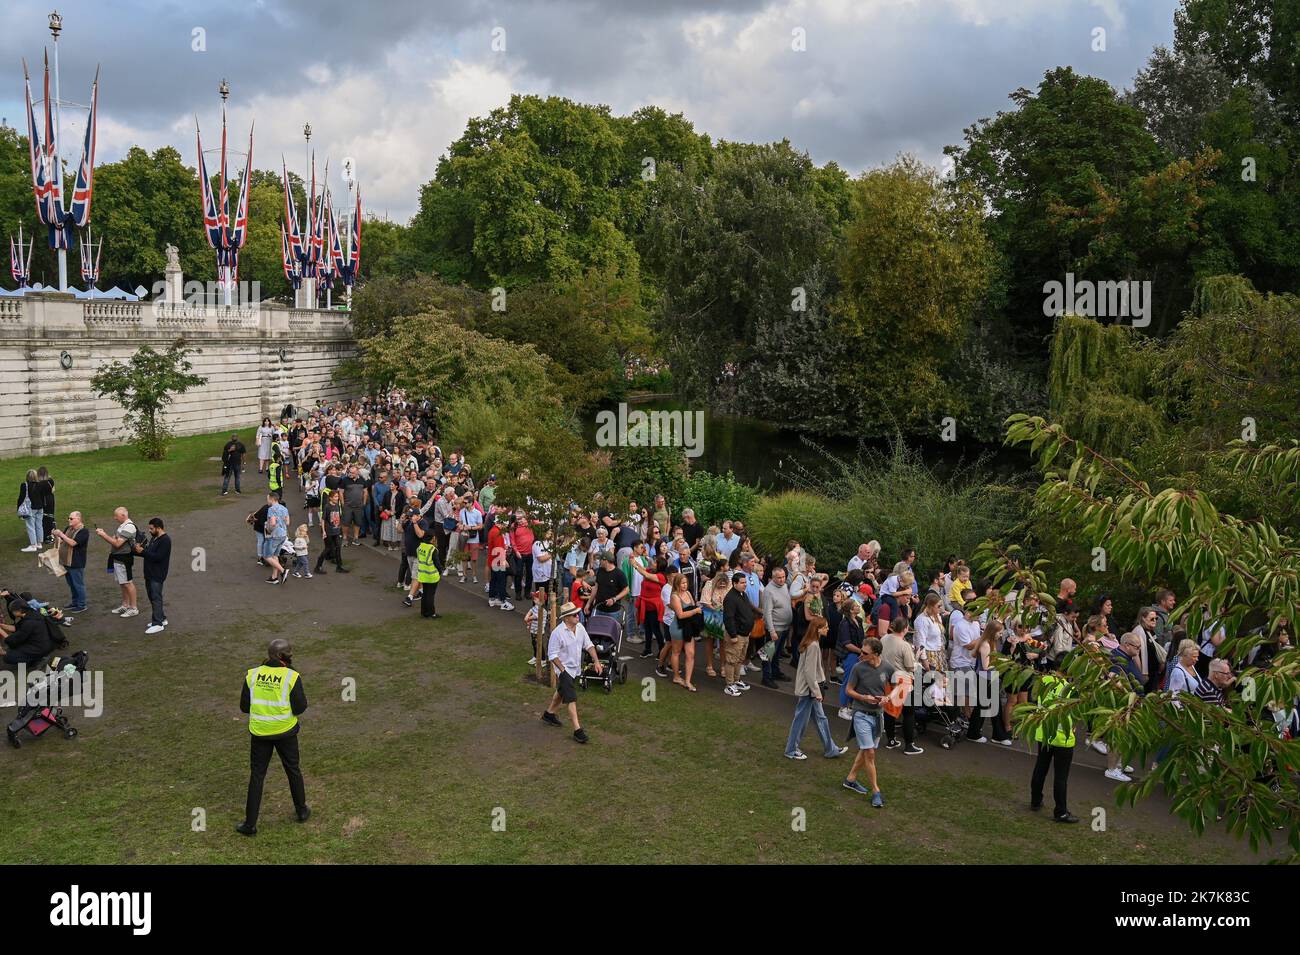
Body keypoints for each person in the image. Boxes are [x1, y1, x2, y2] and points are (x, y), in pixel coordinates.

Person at [236, 638, 310, 836]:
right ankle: (302, 811)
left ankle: (250, 824)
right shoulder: (291, 676)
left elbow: (244, 707)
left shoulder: (252, 675)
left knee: (257, 776)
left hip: (260, 733)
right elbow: (300, 707)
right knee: (293, 770)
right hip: (286, 732)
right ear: (279, 656)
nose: (291, 655)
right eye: (289, 653)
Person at [785, 615, 850, 760]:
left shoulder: (812, 643)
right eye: (825, 627)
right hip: (810, 690)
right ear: (818, 629)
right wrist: (816, 692)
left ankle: (830, 749)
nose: (828, 629)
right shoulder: (813, 645)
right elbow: (809, 672)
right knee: (801, 720)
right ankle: (791, 749)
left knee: (821, 719)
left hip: (811, 689)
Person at [541, 602, 603, 744]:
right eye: (575, 615)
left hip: (575, 669)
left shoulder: (580, 628)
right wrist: (563, 671)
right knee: (571, 697)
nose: (578, 616)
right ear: (566, 618)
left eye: (577, 614)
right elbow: (552, 655)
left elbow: (589, 645)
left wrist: (597, 662)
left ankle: (549, 714)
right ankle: (577, 730)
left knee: (561, 692)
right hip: (564, 670)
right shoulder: (557, 633)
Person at [842, 637, 891, 808]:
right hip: (861, 714)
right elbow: (848, 689)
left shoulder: (887, 668)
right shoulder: (858, 667)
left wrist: (888, 697)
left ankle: (850, 779)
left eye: (864, 653)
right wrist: (863, 697)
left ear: (876, 654)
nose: (860, 654)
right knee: (869, 752)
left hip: (878, 716)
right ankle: (876, 791)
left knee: (865, 751)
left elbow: (901, 684)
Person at [1029, 670, 1079, 823]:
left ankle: (1036, 801)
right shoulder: (1070, 688)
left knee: (1040, 767)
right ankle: (1061, 811)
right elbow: (1075, 713)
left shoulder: (1043, 681)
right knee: (1061, 777)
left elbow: (1034, 698)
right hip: (1063, 737)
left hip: (1043, 731)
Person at [97, 507, 140, 618]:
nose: (114, 518)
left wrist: (103, 535)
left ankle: (134, 608)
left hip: (124, 559)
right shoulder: (123, 526)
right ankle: (125, 605)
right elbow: (116, 540)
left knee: (127, 582)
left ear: (123, 515)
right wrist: (111, 538)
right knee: (122, 583)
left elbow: (117, 544)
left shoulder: (129, 527)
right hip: (118, 558)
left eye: (116, 515)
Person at [134, 518, 171, 634]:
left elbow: (158, 557)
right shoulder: (155, 538)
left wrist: (143, 552)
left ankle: (158, 623)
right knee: (152, 596)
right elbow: (149, 554)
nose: (149, 531)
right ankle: (161, 618)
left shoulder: (165, 540)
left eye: (151, 528)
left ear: (158, 528)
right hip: (149, 573)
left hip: (157, 574)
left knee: (156, 597)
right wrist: (138, 551)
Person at [722, 571, 755, 697]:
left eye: (745, 582)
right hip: (736, 635)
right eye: (742, 583)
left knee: (739, 659)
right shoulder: (730, 598)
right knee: (731, 660)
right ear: (734, 583)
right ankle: (729, 685)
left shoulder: (743, 594)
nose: (744, 585)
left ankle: (736, 680)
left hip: (744, 634)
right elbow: (728, 618)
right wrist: (733, 635)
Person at [51, 511, 90, 613]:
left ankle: (82, 605)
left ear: (78, 519)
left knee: (78, 584)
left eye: (71, 518)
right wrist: (56, 535)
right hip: (66, 562)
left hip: (76, 563)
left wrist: (61, 535)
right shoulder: (68, 528)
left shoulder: (84, 531)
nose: (69, 520)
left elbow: (73, 543)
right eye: (69, 518)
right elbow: (61, 542)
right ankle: (74, 602)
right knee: (71, 584)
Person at [262, 492, 290, 585]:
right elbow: (288, 522)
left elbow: (273, 523)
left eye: (268, 499)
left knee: (266, 556)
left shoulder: (271, 509)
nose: (267, 501)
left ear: (271, 499)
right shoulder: (284, 508)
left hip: (275, 535)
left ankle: (283, 571)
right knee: (275, 556)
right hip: (283, 534)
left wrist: (269, 528)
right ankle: (274, 577)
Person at [415, 532, 442, 619]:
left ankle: (424, 612)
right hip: (432, 576)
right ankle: (431, 613)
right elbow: (437, 563)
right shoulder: (432, 549)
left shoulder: (420, 547)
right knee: (430, 595)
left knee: (425, 594)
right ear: (432, 538)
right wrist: (440, 571)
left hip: (422, 574)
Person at [16, 469, 44, 553]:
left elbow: (21, 498)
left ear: (27, 476)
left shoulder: (24, 485)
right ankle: (39, 543)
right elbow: (42, 497)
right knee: (39, 525)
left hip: (30, 508)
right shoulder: (40, 485)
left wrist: (19, 510)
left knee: (30, 526)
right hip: (40, 507)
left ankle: (33, 545)